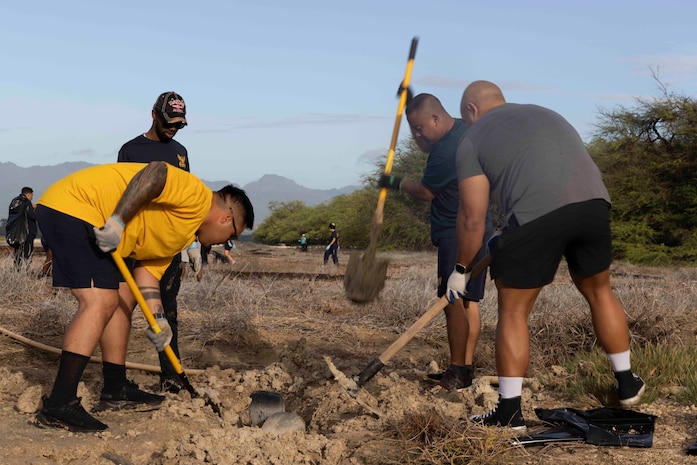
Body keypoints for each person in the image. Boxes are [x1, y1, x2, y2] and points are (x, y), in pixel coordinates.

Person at [447, 80, 644, 430]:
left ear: (472, 111)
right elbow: (549, 177)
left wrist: (461, 269)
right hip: (594, 206)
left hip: (537, 217)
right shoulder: (547, 113)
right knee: (599, 291)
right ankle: (627, 383)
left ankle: (508, 412)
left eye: (466, 117)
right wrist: (506, 235)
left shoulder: (472, 139)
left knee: (514, 310)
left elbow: (473, 217)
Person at [34, 161, 254, 432]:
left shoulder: (183, 234)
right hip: (75, 207)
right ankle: (59, 403)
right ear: (226, 218)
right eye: (230, 237)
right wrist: (118, 221)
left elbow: (148, 275)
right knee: (100, 300)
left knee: (123, 296)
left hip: (92, 219)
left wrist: (159, 319)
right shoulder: (197, 196)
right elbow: (156, 172)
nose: (220, 244)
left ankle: (115, 388)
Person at [378, 93, 490, 391]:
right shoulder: (464, 132)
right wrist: (410, 98)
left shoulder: (443, 152)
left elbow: (426, 191)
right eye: (412, 129)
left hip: (457, 232)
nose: (417, 135)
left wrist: (396, 182)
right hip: (481, 228)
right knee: (469, 302)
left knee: (452, 301)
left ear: (436, 119)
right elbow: (425, 133)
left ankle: (457, 370)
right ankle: (464, 369)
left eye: (418, 128)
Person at [117, 91, 190, 393]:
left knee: (167, 312)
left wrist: (187, 249)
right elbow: (121, 197)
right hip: (134, 244)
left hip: (167, 247)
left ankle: (171, 376)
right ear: (153, 115)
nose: (172, 128)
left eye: (178, 124)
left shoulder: (180, 152)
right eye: (168, 122)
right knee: (122, 308)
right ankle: (115, 378)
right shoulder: (130, 150)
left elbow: (184, 200)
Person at [6, 187, 37, 271]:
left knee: (18, 252)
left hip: (17, 232)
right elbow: (32, 216)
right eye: (31, 196)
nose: (32, 198)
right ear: (28, 194)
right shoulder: (27, 203)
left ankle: (17, 269)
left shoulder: (15, 202)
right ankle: (26, 270)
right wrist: (35, 209)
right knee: (28, 252)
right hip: (28, 232)